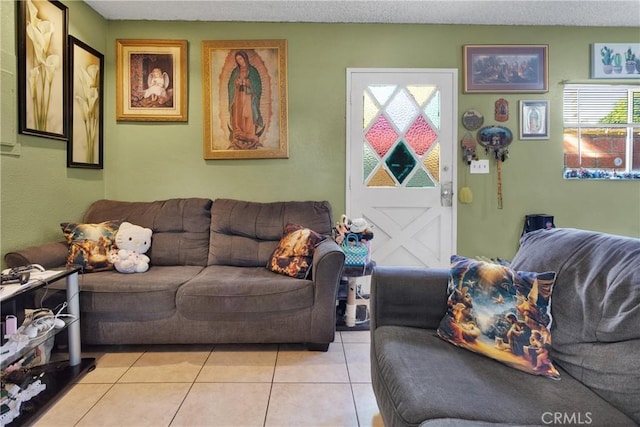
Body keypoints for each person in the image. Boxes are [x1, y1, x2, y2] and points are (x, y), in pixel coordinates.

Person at [227, 51, 264, 149]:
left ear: (245, 58)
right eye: (237, 60)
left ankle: (249, 133)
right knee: (238, 113)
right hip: (238, 96)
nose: (240, 61)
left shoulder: (253, 71)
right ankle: (239, 132)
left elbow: (258, 86)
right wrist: (236, 83)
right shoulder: (235, 72)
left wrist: (249, 84)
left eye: (241, 59)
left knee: (248, 113)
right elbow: (230, 85)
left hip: (249, 96)